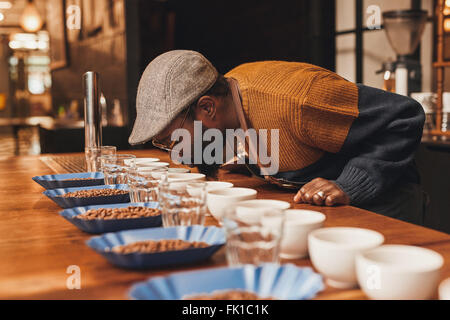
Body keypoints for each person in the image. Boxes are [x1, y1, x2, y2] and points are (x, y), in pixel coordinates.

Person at [129, 50, 426, 225]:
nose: (174, 153)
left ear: (207, 106)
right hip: (324, 213)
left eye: (172, 140)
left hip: (386, 204)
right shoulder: (229, 104)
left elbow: (404, 117)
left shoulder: (299, 100)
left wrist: (349, 184)